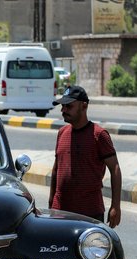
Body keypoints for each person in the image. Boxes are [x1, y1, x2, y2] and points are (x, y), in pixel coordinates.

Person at [48, 86, 122, 228]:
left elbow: (115, 169)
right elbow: (56, 170)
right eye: (62, 106)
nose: (63, 110)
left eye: (68, 106)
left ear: (84, 106)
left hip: (89, 213)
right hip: (60, 212)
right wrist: (51, 201)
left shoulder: (99, 135)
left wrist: (115, 206)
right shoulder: (62, 133)